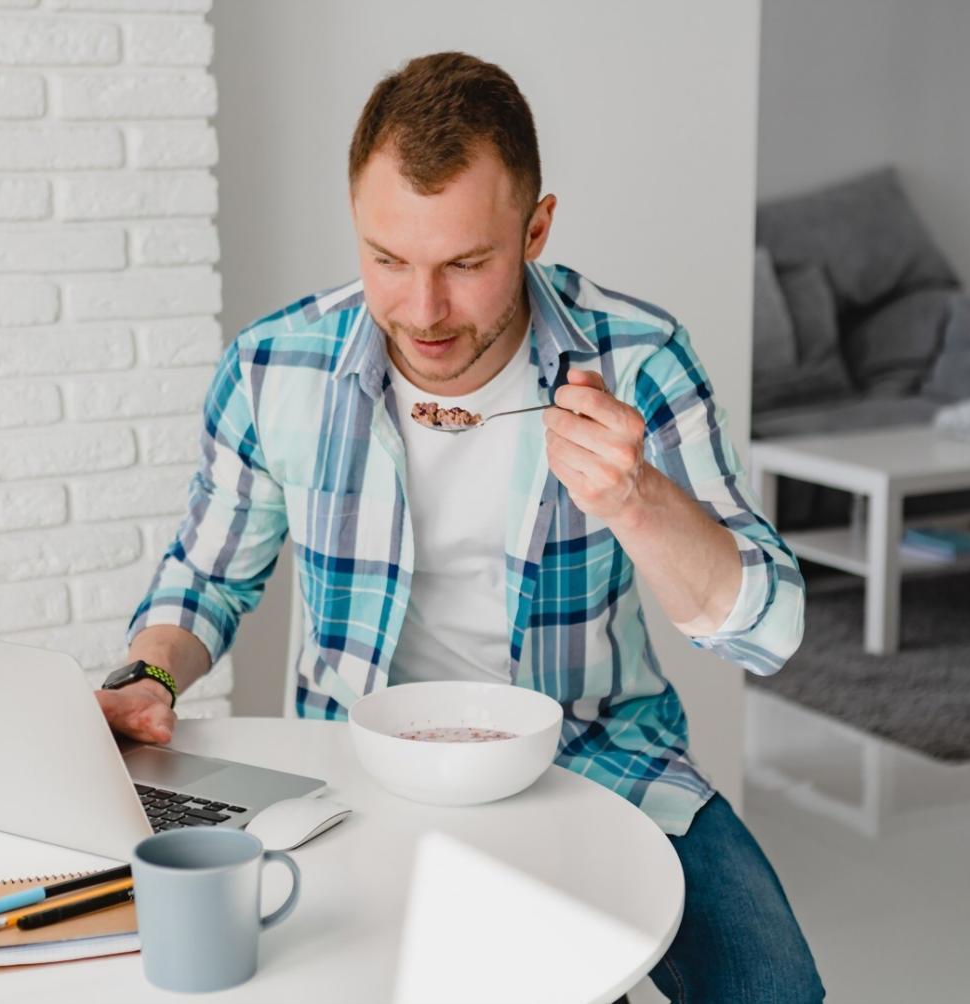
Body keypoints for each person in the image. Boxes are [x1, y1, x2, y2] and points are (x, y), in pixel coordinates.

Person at [96, 51, 823, 1003]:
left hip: (599, 751)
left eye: (466, 264)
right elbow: (208, 578)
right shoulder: (276, 367)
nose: (423, 313)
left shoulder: (638, 357)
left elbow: (769, 633)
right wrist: (146, 676)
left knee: (773, 991)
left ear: (536, 230)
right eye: (387, 260)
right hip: (351, 771)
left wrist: (636, 497)